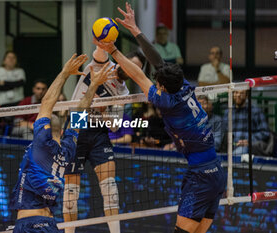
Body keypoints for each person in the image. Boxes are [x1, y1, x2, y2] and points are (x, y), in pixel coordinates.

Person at [95, 3, 225, 233]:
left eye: (157, 83)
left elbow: (138, 74)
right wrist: (135, 30)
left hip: (201, 176)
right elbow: (158, 61)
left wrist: (113, 50)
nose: (154, 84)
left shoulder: (167, 102)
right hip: (216, 170)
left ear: (162, 87)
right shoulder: (183, 85)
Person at [10, 53, 115, 233]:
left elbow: (47, 102)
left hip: (28, 224)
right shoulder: (68, 149)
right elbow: (80, 112)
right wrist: (94, 85)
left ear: (47, 128)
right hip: (49, 224)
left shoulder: (42, 143)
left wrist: (65, 73)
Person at [63, 45, 145, 233]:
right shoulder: (102, 65)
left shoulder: (123, 93)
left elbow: (115, 126)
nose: (132, 70)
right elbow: (100, 50)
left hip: (99, 132)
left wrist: (104, 111)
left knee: (110, 190)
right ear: (122, 61)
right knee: (70, 195)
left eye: (137, 69)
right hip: (78, 122)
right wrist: (104, 40)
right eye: (131, 65)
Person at [223, 90, 270, 155]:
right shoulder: (228, 112)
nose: (238, 95)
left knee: (236, 155)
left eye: (241, 93)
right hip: (230, 146)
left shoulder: (255, 111)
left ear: (246, 95)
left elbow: (265, 132)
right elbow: (224, 131)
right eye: (236, 92)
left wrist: (249, 140)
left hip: (248, 146)